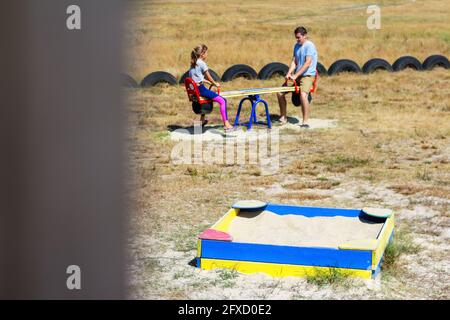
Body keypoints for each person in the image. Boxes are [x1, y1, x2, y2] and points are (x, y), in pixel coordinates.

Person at [277, 26, 318, 128]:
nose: (297, 39)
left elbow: (307, 63)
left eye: (299, 37)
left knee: (303, 95)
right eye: (296, 37)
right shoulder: (296, 46)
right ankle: (283, 117)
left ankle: (305, 122)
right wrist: (289, 73)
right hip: (298, 76)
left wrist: (296, 75)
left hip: (308, 75)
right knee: (280, 93)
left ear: (305, 36)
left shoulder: (310, 46)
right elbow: (294, 62)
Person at [189, 44, 234, 131]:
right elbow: (208, 76)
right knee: (223, 100)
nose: (207, 54)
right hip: (201, 89)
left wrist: (208, 82)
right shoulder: (202, 63)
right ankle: (227, 124)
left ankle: (201, 121)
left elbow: (195, 79)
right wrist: (214, 83)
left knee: (207, 99)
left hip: (196, 90)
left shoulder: (193, 64)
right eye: (206, 53)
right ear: (202, 54)